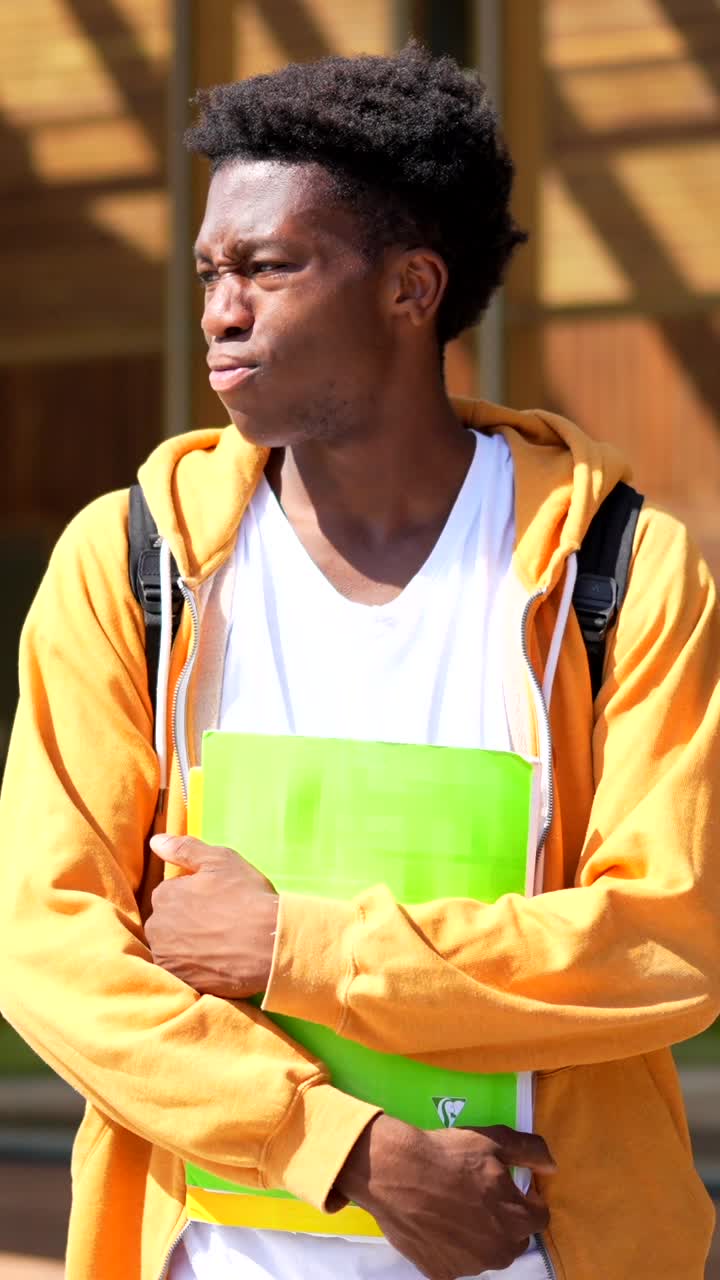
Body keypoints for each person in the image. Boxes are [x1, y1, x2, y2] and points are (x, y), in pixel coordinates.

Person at [0, 41, 718, 1280]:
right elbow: (49, 948)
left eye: (270, 267)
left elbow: (670, 938)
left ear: (411, 288)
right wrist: (351, 1150)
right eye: (211, 272)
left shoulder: (624, 570)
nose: (223, 308)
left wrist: (298, 944)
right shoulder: (131, 563)